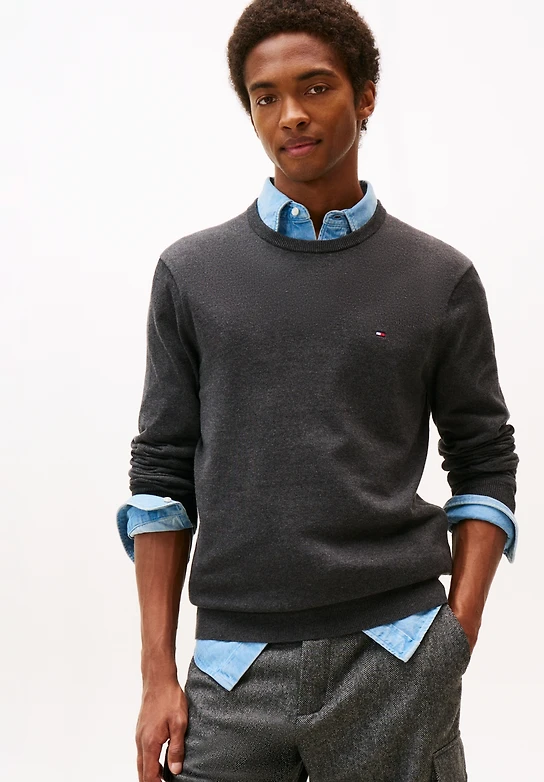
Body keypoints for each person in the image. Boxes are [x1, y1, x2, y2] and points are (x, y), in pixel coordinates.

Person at [116, 1, 519, 780]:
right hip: (231, 671)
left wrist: (455, 637)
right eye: (265, 96)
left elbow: (484, 460)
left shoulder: (439, 280)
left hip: (395, 659)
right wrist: (157, 675)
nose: (291, 114)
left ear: (365, 96)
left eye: (316, 87)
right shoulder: (191, 276)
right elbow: (161, 474)